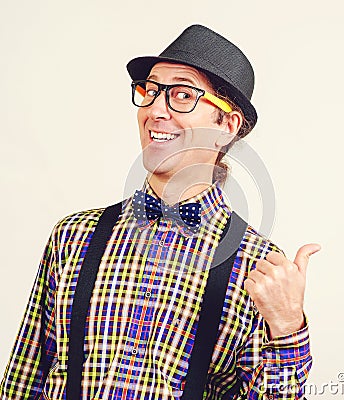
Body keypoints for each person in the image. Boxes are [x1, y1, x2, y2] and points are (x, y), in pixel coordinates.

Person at [0, 24, 320, 399]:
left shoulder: (259, 266)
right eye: (150, 91)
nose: (155, 109)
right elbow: (23, 382)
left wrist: (287, 328)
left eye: (182, 95)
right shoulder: (73, 236)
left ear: (226, 126)